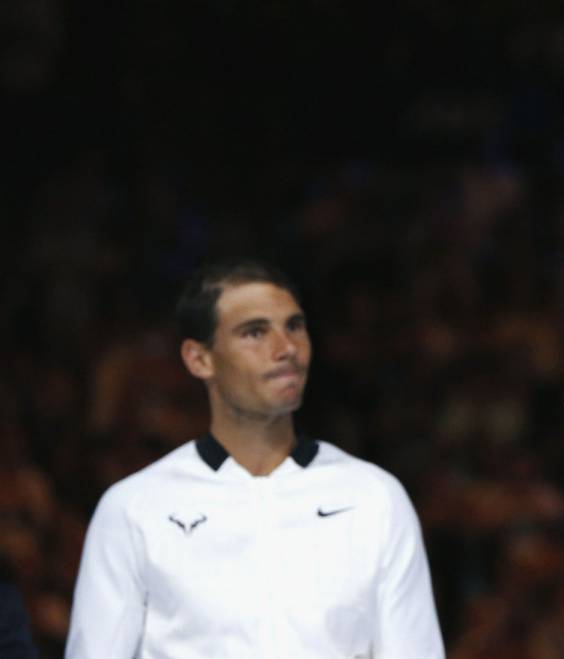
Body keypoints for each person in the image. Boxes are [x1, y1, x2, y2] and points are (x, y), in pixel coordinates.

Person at [67, 261, 444, 658]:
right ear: (199, 359)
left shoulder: (375, 499)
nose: (286, 349)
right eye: (255, 332)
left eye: (295, 326)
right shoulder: (134, 509)